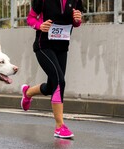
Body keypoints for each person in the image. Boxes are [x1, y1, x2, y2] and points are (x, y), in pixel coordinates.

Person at [21, 0, 83, 139]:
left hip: (62, 48)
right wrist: (39, 25)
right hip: (43, 46)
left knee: (52, 86)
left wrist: (77, 20)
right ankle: (60, 127)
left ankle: (28, 92)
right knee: (60, 81)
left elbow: (76, 22)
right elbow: (30, 19)